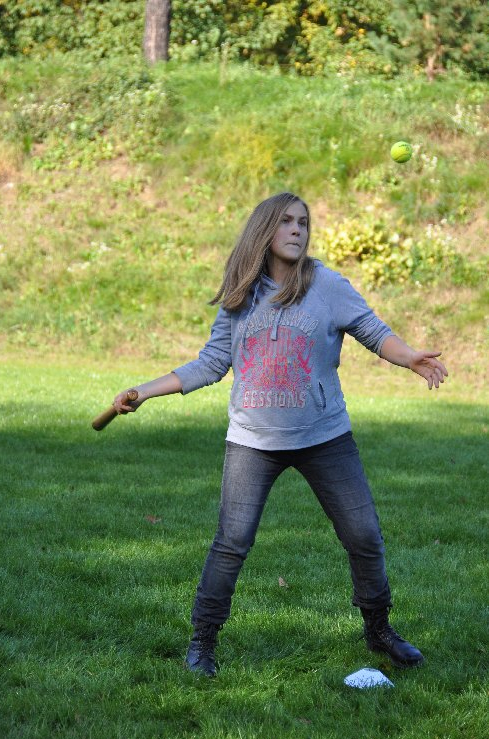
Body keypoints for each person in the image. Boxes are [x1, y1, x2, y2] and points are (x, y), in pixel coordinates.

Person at [113, 192, 448, 677]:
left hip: (325, 437)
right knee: (231, 543)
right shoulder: (241, 294)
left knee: (364, 535)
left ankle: (378, 629)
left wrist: (410, 356)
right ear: (265, 230)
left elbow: (375, 332)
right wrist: (144, 391)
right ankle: (203, 641)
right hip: (253, 440)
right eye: (287, 221)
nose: (297, 230)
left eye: (303, 222)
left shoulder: (327, 286)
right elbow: (212, 362)